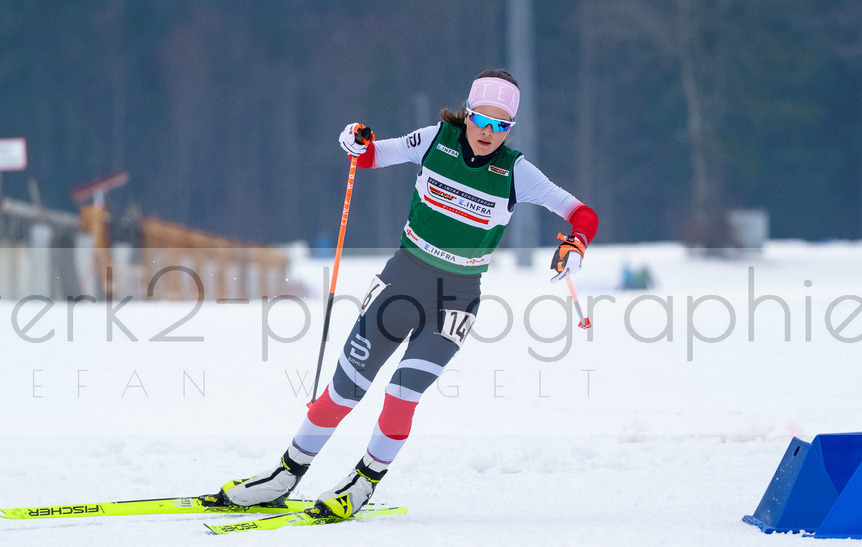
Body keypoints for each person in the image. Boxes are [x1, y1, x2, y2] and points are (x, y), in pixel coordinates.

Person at [216, 69, 598, 518]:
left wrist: (577, 243)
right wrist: (356, 141)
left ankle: (362, 484)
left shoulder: (516, 172)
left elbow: (581, 212)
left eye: (502, 126)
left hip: (456, 301)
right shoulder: (435, 140)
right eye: (481, 120)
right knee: (344, 390)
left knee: (403, 393)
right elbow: (373, 155)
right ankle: (285, 475)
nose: (488, 133)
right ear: (467, 114)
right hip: (401, 282)